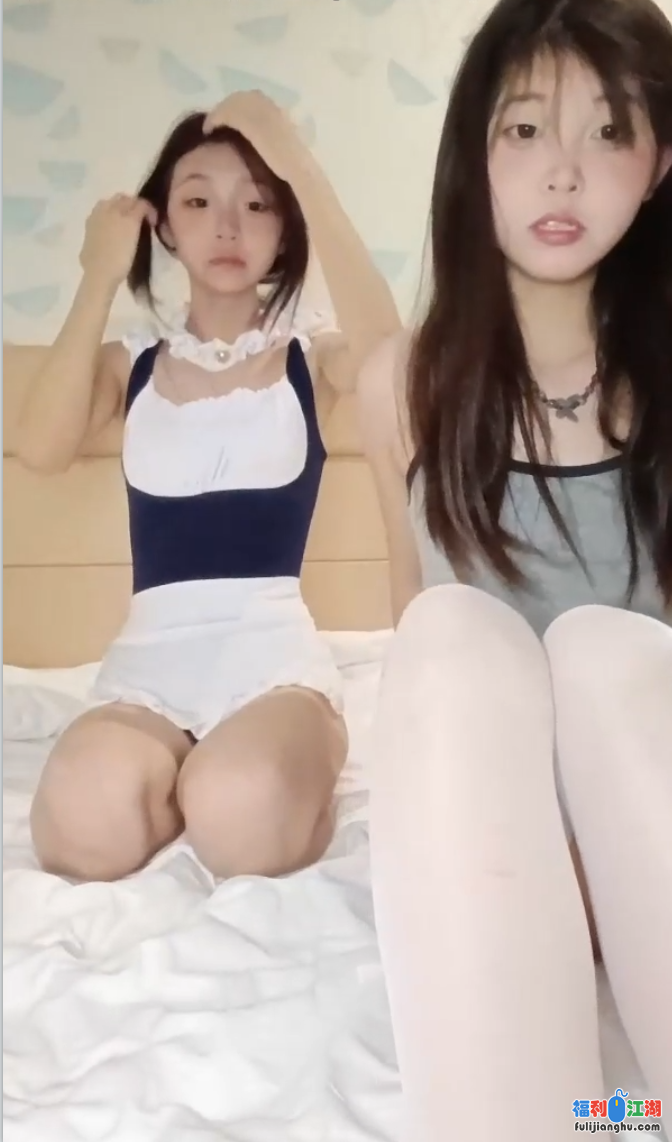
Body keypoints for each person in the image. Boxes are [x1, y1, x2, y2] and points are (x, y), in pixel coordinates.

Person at [357, 0, 672, 1138]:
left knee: (602, 654)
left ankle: (621, 1111)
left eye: (609, 130)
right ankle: (570, 1120)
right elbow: (415, 647)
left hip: (650, 825)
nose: (563, 172)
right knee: (446, 634)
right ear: (474, 154)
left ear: (662, 163)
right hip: (497, 860)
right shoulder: (402, 385)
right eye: (526, 129)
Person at [18, 90, 400, 884]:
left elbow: (391, 370)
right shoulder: (132, 365)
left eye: (257, 204)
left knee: (242, 815)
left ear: (285, 225)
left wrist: (304, 172)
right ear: (163, 223)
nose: (228, 226)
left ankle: (240, 777)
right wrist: (98, 275)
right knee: (79, 830)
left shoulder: (312, 357)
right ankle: (172, 782)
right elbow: (41, 448)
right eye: (198, 201)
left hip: (272, 660)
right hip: (148, 666)